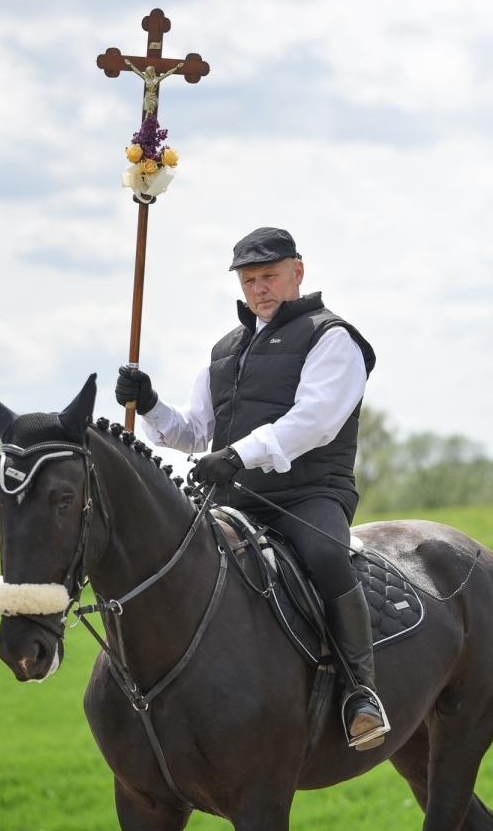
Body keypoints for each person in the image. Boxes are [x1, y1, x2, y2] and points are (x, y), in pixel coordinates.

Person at [115, 226, 389, 750]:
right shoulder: (226, 350)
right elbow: (195, 433)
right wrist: (149, 403)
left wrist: (239, 454)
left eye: (269, 276)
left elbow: (316, 421)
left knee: (326, 556)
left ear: (298, 272)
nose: (259, 288)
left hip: (309, 495)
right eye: (249, 280)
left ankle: (360, 691)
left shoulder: (332, 337)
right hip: (233, 501)